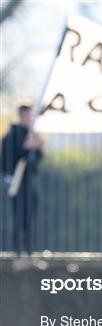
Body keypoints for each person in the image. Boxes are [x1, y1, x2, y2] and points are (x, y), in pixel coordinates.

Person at [1, 104, 44, 269]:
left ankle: (31, 255)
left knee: (31, 221)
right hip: (17, 185)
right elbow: (9, 160)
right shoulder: (11, 136)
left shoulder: (32, 134)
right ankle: (18, 257)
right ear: (22, 116)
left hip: (31, 183)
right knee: (19, 221)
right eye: (27, 115)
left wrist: (36, 148)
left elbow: (38, 158)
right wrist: (26, 148)